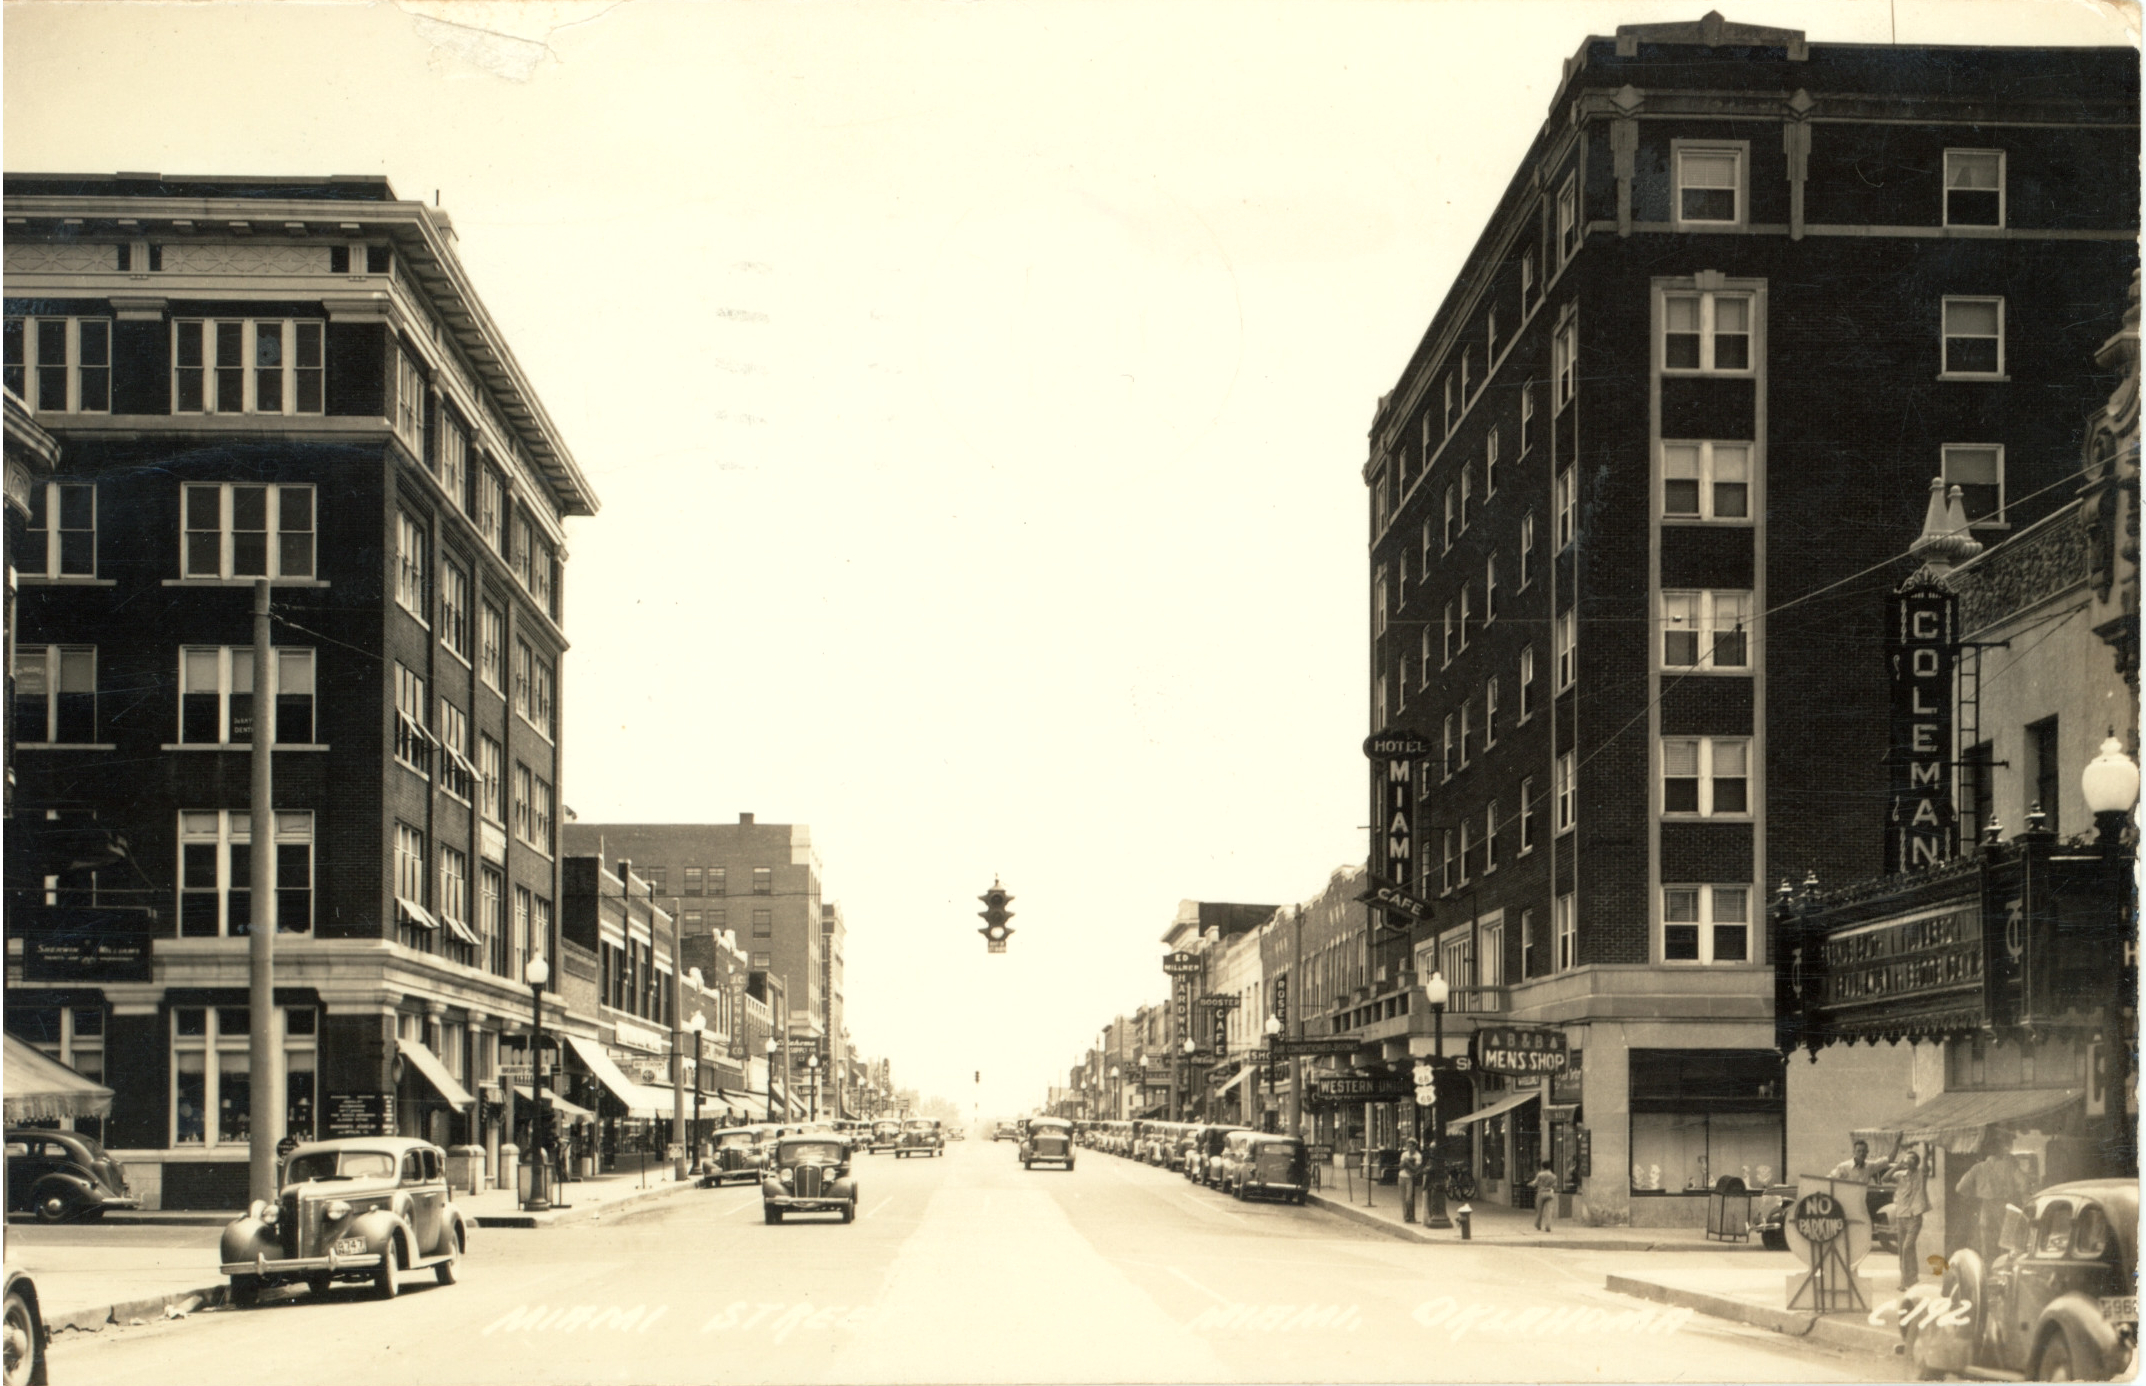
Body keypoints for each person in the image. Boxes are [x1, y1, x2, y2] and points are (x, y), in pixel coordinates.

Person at [1956, 1148, 2035, 1262]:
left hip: (1986, 1207)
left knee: (1987, 1242)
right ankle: (2004, 1269)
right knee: (2007, 1241)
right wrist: (2016, 1193)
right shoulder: (2008, 1166)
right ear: (2000, 1153)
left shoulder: (1978, 1168)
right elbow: (2025, 1184)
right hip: (2006, 1207)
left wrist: (1975, 1194)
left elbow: (1960, 1188)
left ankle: (1989, 1271)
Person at [1889, 1150, 1932, 1291]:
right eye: (1908, 1158)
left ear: (1917, 1162)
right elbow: (1884, 1178)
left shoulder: (1921, 1174)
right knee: (1904, 1250)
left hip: (1914, 1216)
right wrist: (1897, 1166)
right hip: (1901, 1216)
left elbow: (1926, 1166)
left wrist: (1925, 1154)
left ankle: (1907, 1281)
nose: (1909, 1160)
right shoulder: (1900, 1175)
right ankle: (1910, 1279)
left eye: (1912, 1158)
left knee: (1907, 1247)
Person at [1397, 1139, 1424, 1223]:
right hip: (1401, 1176)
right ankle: (1406, 1217)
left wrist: (1407, 1162)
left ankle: (1411, 1216)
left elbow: (1415, 1169)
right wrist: (1406, 1163)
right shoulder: (1404, 1154)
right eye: (1408, 1146)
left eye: (1411, 1146)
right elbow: (1401, 1166)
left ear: (1415, 1146)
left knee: (1409, 1198)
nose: (1409, 1148)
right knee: (1403, 1198)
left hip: (1410, 1178)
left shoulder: (1418, 1156)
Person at [1531, 1161, 1560, 1232]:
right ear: (1550, 1167)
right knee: (1549, 1211)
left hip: (1541, 1192)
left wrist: (1531, 1184)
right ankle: (1548, 1225)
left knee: (1539, 1210)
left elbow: (1535, 1183)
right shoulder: (1554, 1176)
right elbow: (1555, 1186)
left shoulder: (1540, 1174)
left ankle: (1538, 1225)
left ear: (1542, 1167)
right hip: (1549, 1192)